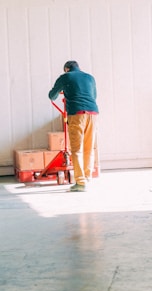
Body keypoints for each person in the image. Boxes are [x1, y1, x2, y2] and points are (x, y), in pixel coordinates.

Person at [48, 60, 99, 192]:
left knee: (77, 149)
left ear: (66, 69)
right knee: (89, 147)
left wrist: (63, 91)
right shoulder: (90, 77)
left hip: (77, 114)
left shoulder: (65, 77)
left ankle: (80, 183)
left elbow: (52, 95)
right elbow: (94, 96)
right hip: (93, 113)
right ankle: (87, 177)